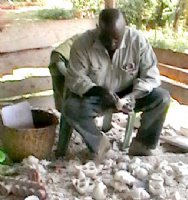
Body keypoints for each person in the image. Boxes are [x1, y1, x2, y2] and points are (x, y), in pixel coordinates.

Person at [49, 8, 170, 161]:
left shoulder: (138, 41)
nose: (112, 43)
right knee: (70, 108)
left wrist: (133, 96)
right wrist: (98, 91)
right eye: (107, 38)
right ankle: (100, 144)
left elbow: (151, 76)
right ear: (98, 29)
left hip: (130, 92)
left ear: (125, 30)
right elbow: (75, 80)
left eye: (117, 38)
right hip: (96, 94)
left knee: (162, 98)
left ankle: (143, 145)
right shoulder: (82, 44)